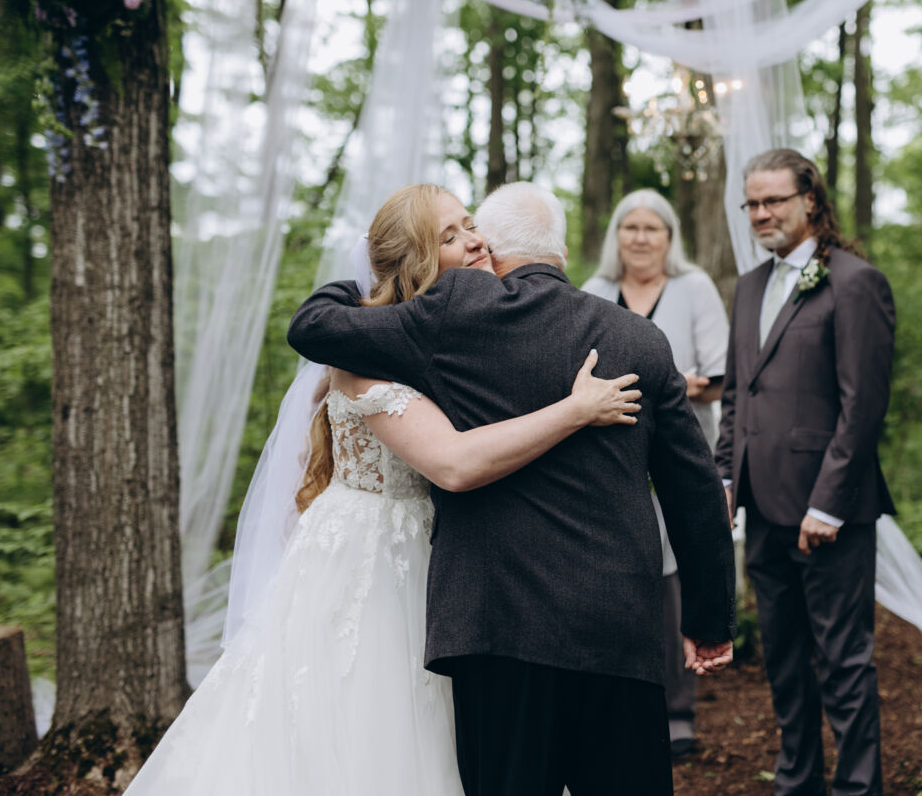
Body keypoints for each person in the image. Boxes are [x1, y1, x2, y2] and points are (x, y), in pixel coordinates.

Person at [123, 184, 643, 796]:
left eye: (470, 223)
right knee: (364, 724)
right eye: (449, 237)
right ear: (418, 261)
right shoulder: (365, 348)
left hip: (439, 558)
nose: (475, 240)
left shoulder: (469, 331)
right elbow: (452, 464)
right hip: (368, 558)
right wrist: (575, 411)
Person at [287, 181, 737, 796]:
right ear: (562, 252)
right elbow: (696, 492)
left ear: (492, 252)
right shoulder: (639, 339)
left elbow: (314, 327)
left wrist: (361, 282)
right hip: (615, 627)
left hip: (494, 626)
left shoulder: (452, 316)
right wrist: (709, 619)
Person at [716, 149, 895, 796]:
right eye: (753, 203)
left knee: (844, 662)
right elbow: (737, 397)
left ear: (810, 200)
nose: (761, 213)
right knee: (785, 661)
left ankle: (858, 786)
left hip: (829, 513)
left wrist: (828, 504)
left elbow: (862, 406)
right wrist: (724, 479)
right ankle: (798, 781)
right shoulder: (748, 287)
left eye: (775, 201)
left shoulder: (854, 281)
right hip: (761, 509)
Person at [581, 188, 729, 759]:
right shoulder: (594, 291)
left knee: (676, 574)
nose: (640, 238)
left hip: (679, 447)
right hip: (609, 453)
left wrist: (673, 385)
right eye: (630, 227)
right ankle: (617, 699)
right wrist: (665, 378)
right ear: (615, 236)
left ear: (670, 237)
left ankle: (679, 711)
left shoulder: (693, 288)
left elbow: (717, 378)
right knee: (617, 570)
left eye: (652, 228)